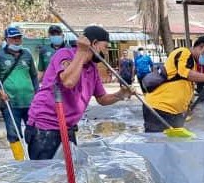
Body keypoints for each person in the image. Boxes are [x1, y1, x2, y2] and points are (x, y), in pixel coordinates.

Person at [25, 25, 131, 160]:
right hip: (46, 128)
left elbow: (102, 98)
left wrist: (120, 94)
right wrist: (82, 52)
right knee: (47, 175)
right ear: (94, 44)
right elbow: (68, 82)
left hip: (67, 127)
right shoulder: (64, 54)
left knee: (70, 174)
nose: (106, 51)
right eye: (105, 47)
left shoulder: (92, 68)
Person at [143, 37, 204, 132]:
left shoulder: (193, 63)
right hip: (159, 109)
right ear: (202, 47)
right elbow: (185, 73)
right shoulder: (184, 52)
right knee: (157, 142)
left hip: (173, 113)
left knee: (171, 142)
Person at [0, 24, 38, 160]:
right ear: (7, 39)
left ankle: (36, 161)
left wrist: (37, 94)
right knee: (14, 134)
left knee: (34, 132)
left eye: (19, 38)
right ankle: (20, 161)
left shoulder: (27, 54)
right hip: (10, 103)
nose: (17, 40)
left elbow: (33, 75)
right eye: (14, 38)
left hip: (30, 101)